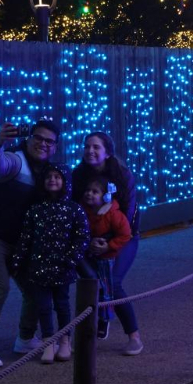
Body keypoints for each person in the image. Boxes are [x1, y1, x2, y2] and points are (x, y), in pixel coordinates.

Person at [0, 118, 61, 368]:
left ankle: (25, 338)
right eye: (38, 138)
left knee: (34, 286)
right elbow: (0, 165)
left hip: (14, 239)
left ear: (55, 147)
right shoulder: (16, 161)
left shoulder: (47, 171)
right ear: (28, 139)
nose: (43, 144)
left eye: (49, 141)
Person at [72, 132, 144, 356]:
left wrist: (109, 243)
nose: (90, 151)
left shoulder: (122, 175)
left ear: (107, 152)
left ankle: (134, 336)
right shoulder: (78, 175)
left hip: (123, 235)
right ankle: (94, 325)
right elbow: (75, 210)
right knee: (90, 283)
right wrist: (88, 239)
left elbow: (129, 216)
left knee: (112, 281)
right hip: (90, 237)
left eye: (95, 147)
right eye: (86, 146)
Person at [11, 164, 90, 364]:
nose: (52, 180)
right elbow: (26, 238)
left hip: (63, 268)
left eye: (57, 177)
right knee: (43, 306)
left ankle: (65, 340)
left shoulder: (74, 209)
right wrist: (18, 260)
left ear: (64, 181)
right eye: (48, 177)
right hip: (38, 268)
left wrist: (71, 259)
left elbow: (82, 237)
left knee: (62, 305)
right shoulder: (35, 210)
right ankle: (49, 341)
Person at [80, 177, 132, 345]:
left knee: (106, 289)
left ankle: (104, 318)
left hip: (106, 257)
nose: (89, 194)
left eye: (95, 192)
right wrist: (88, 243)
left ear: (105, 196)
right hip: (89, 254)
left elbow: (125, 235)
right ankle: (91, 318)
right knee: (90, 287)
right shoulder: (83, 211)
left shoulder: (113, 214)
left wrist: (109, 246)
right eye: (88, 191)